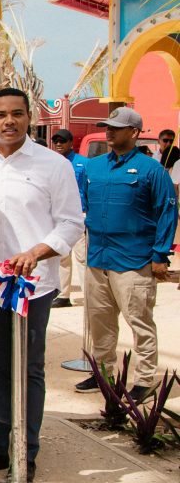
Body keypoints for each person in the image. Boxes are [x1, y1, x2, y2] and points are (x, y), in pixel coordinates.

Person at [0, 88, 85, 481]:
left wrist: (36, 251)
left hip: (33, 285)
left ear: (28, 117)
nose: (8, 122)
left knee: (29, 368)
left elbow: (70, 222)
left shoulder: (53, 165)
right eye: (0, 115)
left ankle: (26, 451)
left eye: (16, 114)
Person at [74, 107, 176, 403]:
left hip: (134, 260)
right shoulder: (94, 168)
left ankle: (144, 380)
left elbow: (167, 212)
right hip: (98, 258)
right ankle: (102, 372)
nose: (109, 131)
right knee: (100, 322)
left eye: (116, 128)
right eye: (107, 126)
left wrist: (159, 255)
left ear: (134, 132)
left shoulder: (151, 170)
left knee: (140, 322)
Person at [50, 129, 89, 308]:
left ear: (71, 143)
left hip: (79, 215)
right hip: (58, 216)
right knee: (62, 256)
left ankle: (89, 295)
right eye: (56, 141)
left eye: (62, 141)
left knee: (81, 257)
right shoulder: (51, 163)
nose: (59, 144)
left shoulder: (83, 163)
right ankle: (63, 295)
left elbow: (90, 189)